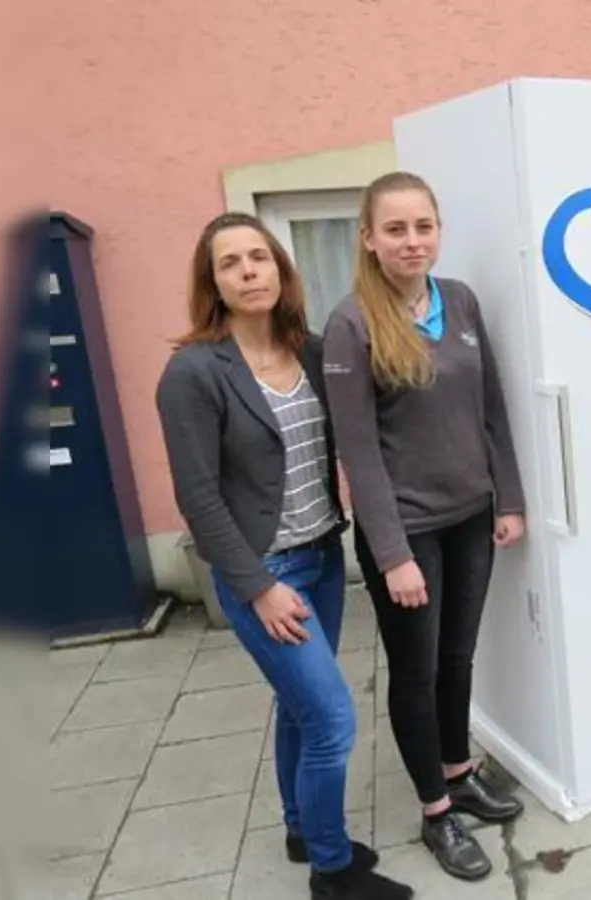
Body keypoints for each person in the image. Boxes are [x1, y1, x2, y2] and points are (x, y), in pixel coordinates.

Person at [155, 212, 412, 900]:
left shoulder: (313, 350)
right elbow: (198, 497)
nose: (248, 271)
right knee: (331, 720)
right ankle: (331, 871)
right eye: (231, 262)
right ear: (212, 282)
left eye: (259, 258)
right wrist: (256, 588)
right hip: (263, 573)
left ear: (279, 269)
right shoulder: (192, 373)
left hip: (323, 555)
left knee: (301, 707)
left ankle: (302, 827)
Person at [322, 172, 527, 883]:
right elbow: (358, 450)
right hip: (406, 533)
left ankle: (459, 770)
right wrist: (391, 553)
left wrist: (508, 498)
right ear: (370, 239)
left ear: (438, 230)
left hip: (472, 518)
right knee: (414, 673)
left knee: (457, 660)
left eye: (423, 226)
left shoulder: (461, 301)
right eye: (397, 229)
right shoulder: (351, 324)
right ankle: (437, 810)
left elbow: (491, 407)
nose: (413, 241)